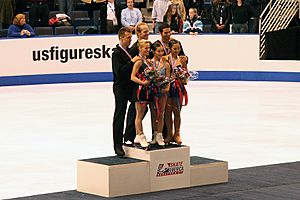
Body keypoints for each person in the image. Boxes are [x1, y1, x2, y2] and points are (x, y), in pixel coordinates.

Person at [112, 27, 141, 156]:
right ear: (121, 38)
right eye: (128, 38)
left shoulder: (129, 51)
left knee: (140, 106)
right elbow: (119, 72)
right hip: (121, 88)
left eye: (131, 37)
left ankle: (129, 135)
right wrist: (131, 62)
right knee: (120, 114)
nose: (130, 40)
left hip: (130, 86)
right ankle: (117, 144)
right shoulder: (116, 53)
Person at [130, 39, 154, 148]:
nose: (148, 50)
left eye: (149, 48)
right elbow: (132, 76)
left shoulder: (146, 60)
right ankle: (141, 135)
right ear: (139, 48)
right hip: (139, 90)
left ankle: (137, 135)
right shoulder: (139, 61)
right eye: (146, 48)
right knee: (139, 114)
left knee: (143, 112)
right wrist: (143, 83)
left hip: (146, 90)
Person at [164, 39, 188, 144]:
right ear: (169, 49)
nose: (177, 50)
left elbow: (186, 72)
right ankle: (169, 134)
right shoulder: (165, 59)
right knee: (168, 112)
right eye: (174, 48)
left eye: (178, 48)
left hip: (178, 88)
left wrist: (184, 80)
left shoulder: (182, 60)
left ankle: (177, 134)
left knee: (177, 111)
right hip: (168, 88)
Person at [149, 41, 171, 146]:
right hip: (153, 92)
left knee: (161, 113)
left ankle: (160, 134)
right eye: (158, 51)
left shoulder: (166, 64)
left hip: (163, 92)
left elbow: (168, 78)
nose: (161, 53)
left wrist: (166, 88)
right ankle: (154, 134)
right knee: (153, 113)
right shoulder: (149, 63)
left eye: (162, 51)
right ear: (153, 51)